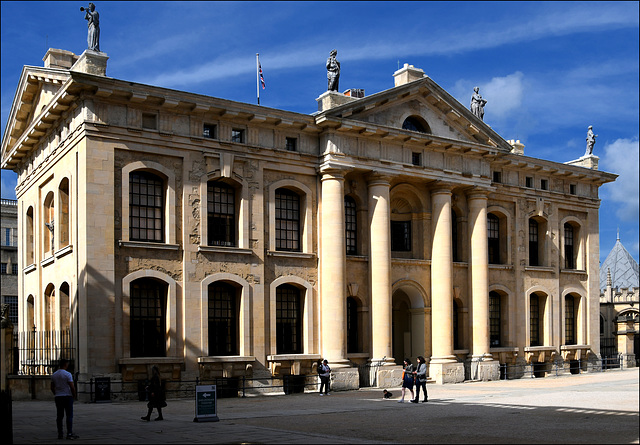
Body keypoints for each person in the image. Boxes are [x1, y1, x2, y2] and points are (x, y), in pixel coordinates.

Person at [50, 358, 79, 440]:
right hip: (67, 396)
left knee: (59, 416)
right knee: (69, 415)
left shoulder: (54, 374)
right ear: (66, 364)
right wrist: (74, 395)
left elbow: (52, 387)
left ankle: (60, 433)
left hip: (58, 396)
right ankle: (69, 433)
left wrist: (56, 393)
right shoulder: (67, 374)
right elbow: (71, 386)